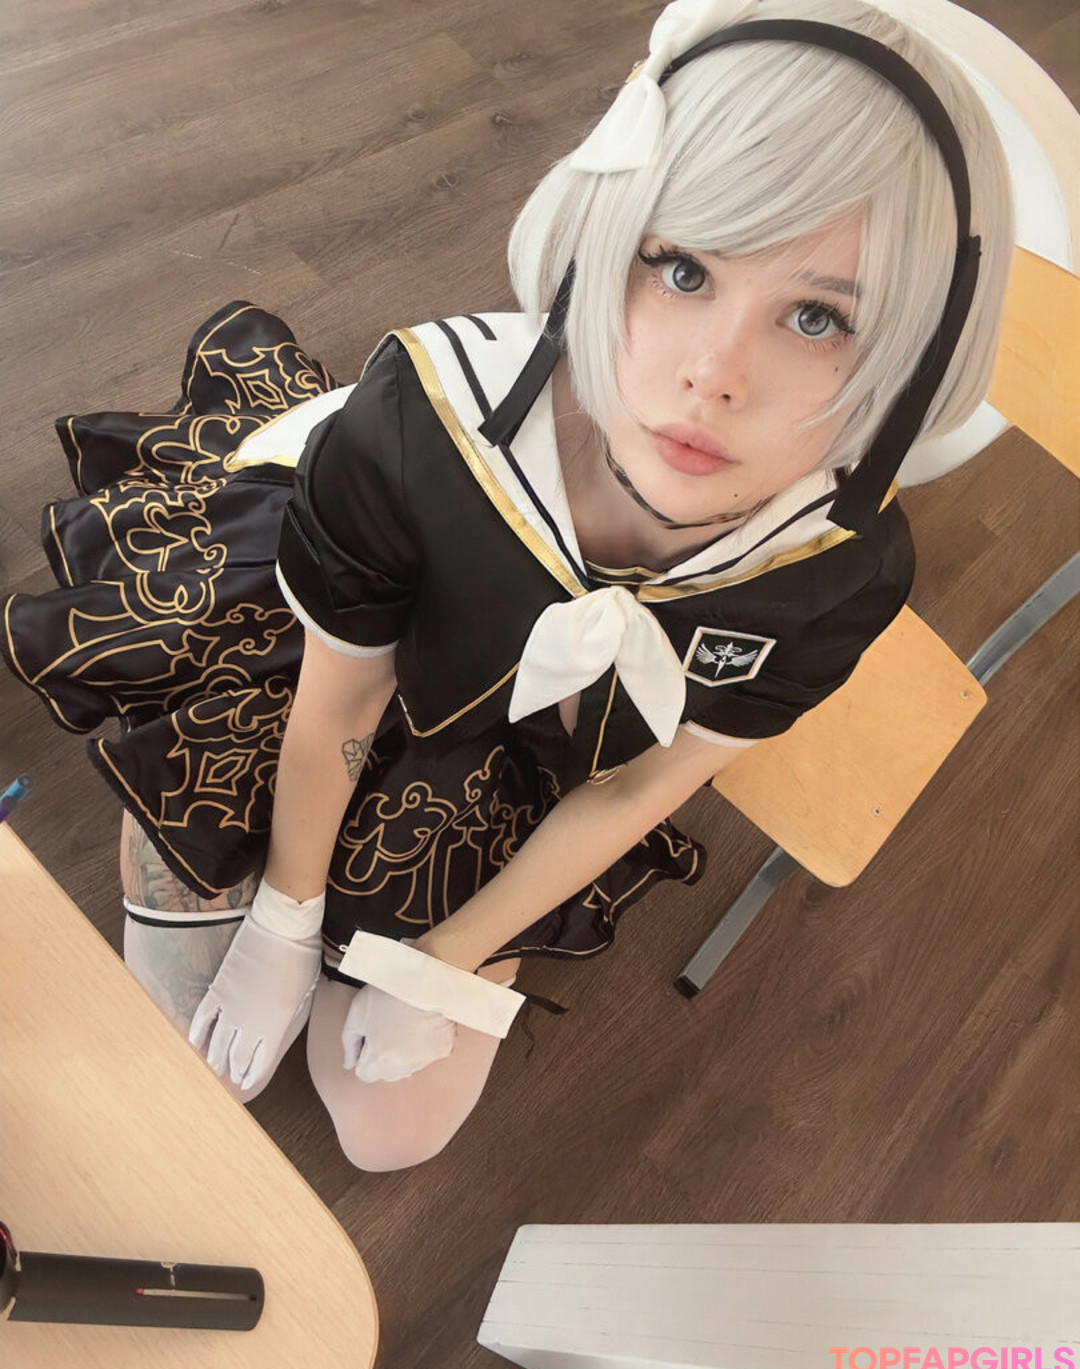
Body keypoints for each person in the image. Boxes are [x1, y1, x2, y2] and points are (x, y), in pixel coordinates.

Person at [1, 0, 1013, 1171]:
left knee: (386, 1134)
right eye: (683, 267)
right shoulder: (417, 429)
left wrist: (445, 960)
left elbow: (646, 781)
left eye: (818, 316)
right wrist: (283, 915)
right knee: (187, 1036)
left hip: (526, 740)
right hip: (338, 659)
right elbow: (343, 695)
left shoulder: (839, 573)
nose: (713, 374)